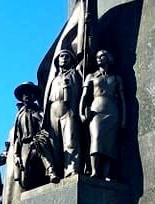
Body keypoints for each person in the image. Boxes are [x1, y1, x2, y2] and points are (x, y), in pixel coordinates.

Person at [79, 49, 126, 180]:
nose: (99, 58)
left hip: (112, 111)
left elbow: (122, 99)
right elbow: (84, 97)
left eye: (102, 56)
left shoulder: (116, 77)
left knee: (110, 144)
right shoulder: (91, 76)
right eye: (97, 56)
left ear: (108, 58)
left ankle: (107, 174)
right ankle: (95, 171)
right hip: (96, 111)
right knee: (96, 138)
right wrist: (81, 113)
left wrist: (124, 120)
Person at [43, 47, 83, 179]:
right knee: (55, 143)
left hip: (68, 109)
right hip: (53, 110)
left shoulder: (74, 74)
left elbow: (79, 94)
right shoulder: (53, 79)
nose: (64, 59)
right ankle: (57, 171)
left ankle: (71, 170)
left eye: (67, 56)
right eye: (61, 56)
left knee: (70, 141)